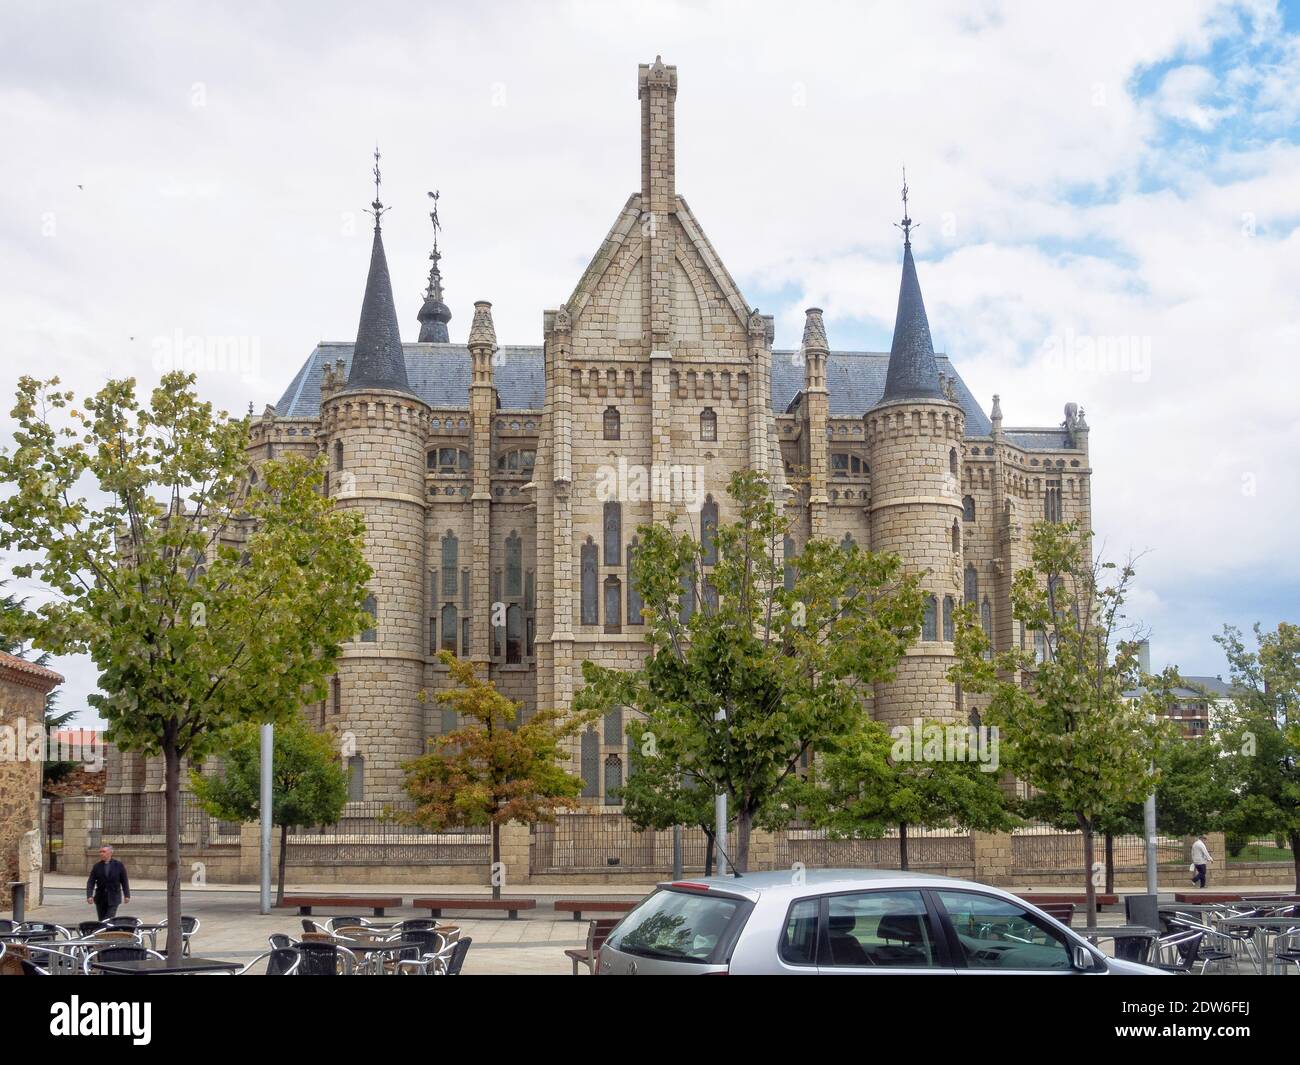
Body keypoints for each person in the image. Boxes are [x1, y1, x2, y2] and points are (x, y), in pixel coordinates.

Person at [86, 844, 131, 921]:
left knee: (109, 919)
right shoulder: (97, 866)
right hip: (100, 898)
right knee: (101, 920)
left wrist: (127, 895)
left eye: (103, 851)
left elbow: (124, 881)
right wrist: (89, 895)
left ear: (110, 853)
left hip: (114, 897)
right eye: (100, 852)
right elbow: (91, 881)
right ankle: (104, 932)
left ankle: (108, 931)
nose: (101, 853)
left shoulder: (118, 865)